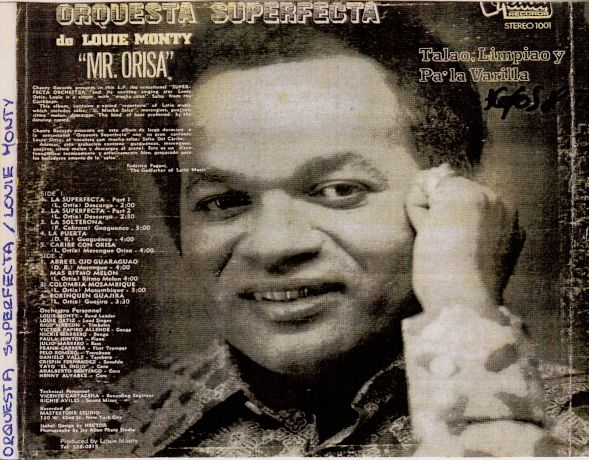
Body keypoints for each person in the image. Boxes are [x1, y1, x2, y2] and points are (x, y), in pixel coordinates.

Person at [34, 9, 588, 458]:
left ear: (451, 203)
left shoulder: (571, 429)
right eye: (223, 201)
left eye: (339, 190)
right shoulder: (80, 438)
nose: (274, 245)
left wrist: (460, 305)